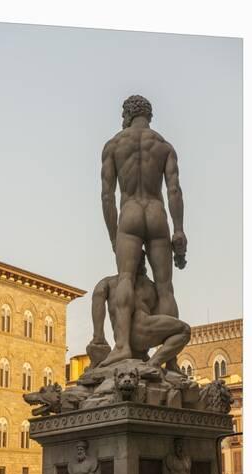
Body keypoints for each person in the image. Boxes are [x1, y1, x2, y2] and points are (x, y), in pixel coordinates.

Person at [100, 95, 187, 366]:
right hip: (157, 213)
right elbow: (173, 190)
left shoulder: (114, 145)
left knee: (125, 277)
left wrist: (114, 235)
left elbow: (106, 196)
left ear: (127, 115)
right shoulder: (164, 146)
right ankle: (170, 358)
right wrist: (179, 230)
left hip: (130, 213)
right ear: (148, 116)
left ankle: (123, 345)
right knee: (165, 287)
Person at [88, 250, 190, 370]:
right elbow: (165, 315)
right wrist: (171, 360)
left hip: (122, 337)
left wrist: (98, 339)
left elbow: (97, 299)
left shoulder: (107, 282)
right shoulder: (150, 286)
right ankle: (155, 363)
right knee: (184, 330)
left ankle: (144, 358)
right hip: (143, 332)